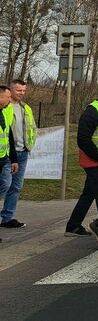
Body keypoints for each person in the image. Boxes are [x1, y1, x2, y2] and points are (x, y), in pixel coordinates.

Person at [66, 84, 98, 241]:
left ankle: (73, 225)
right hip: (94, 160)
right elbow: (83, 138)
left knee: (89, 193)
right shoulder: (93, 111)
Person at [0, 79, 37, 228]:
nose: (21, 93)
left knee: (16, 186)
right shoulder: (6, 107)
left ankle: (8, 217)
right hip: (8, 153)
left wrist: (30, 144)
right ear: (10, 90)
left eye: (23, 91)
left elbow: (32, 127)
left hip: (22, 152)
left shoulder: (26, 107)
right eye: (18, 90)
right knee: (5, 184)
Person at [0, 85, 19, 243]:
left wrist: (13, 158)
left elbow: (8, 136)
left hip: (3, 159)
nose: (10, 99)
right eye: (8, 97)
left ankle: (5, 217)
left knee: (6, 184)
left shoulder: (4, 112)